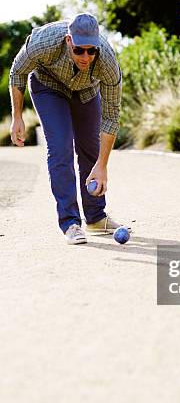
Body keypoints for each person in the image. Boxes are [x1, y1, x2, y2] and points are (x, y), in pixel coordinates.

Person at [9, 13, 129, 244]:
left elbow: (112, 116)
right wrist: (17, 117)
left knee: (91, 150)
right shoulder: (43, 42)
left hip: (86, 91)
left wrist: (102, 165)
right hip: (48, 87)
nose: (86, 57)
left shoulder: (108, 62)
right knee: (61, 147)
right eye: (79, 50)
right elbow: (18, 72)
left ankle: (95, 218)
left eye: (91, 50)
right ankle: (70, 222)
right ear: (68, 41)